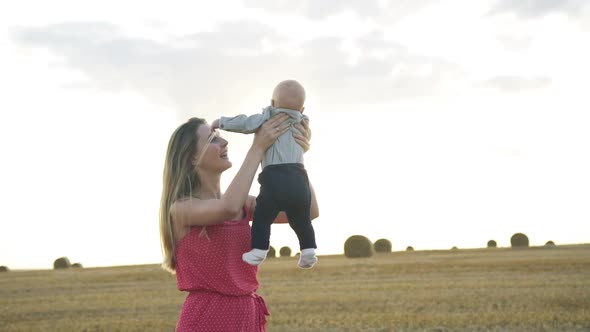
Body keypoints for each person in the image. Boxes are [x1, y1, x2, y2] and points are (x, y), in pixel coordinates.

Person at [159, 113, 319, 331]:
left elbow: (308, 211)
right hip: (207, 319)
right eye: (212, 139)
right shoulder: (181, 209)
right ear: (192, 158)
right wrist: (258, 148)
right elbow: (227, 208)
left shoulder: (244, 204)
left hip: (246, 316)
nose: (224, 141)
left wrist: (294, 159)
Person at [211, 80, 318, 269]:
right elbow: (312, 213)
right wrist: (301, 155)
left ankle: (259, 250)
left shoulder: (268, 117)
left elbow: (244, 123)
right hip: (298, 178)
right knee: (301, 217)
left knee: (262, 216)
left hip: (274, 179)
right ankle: (308, 250)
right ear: (302, 108)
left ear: (273, 102)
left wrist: (222, 122)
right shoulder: (303, 123)